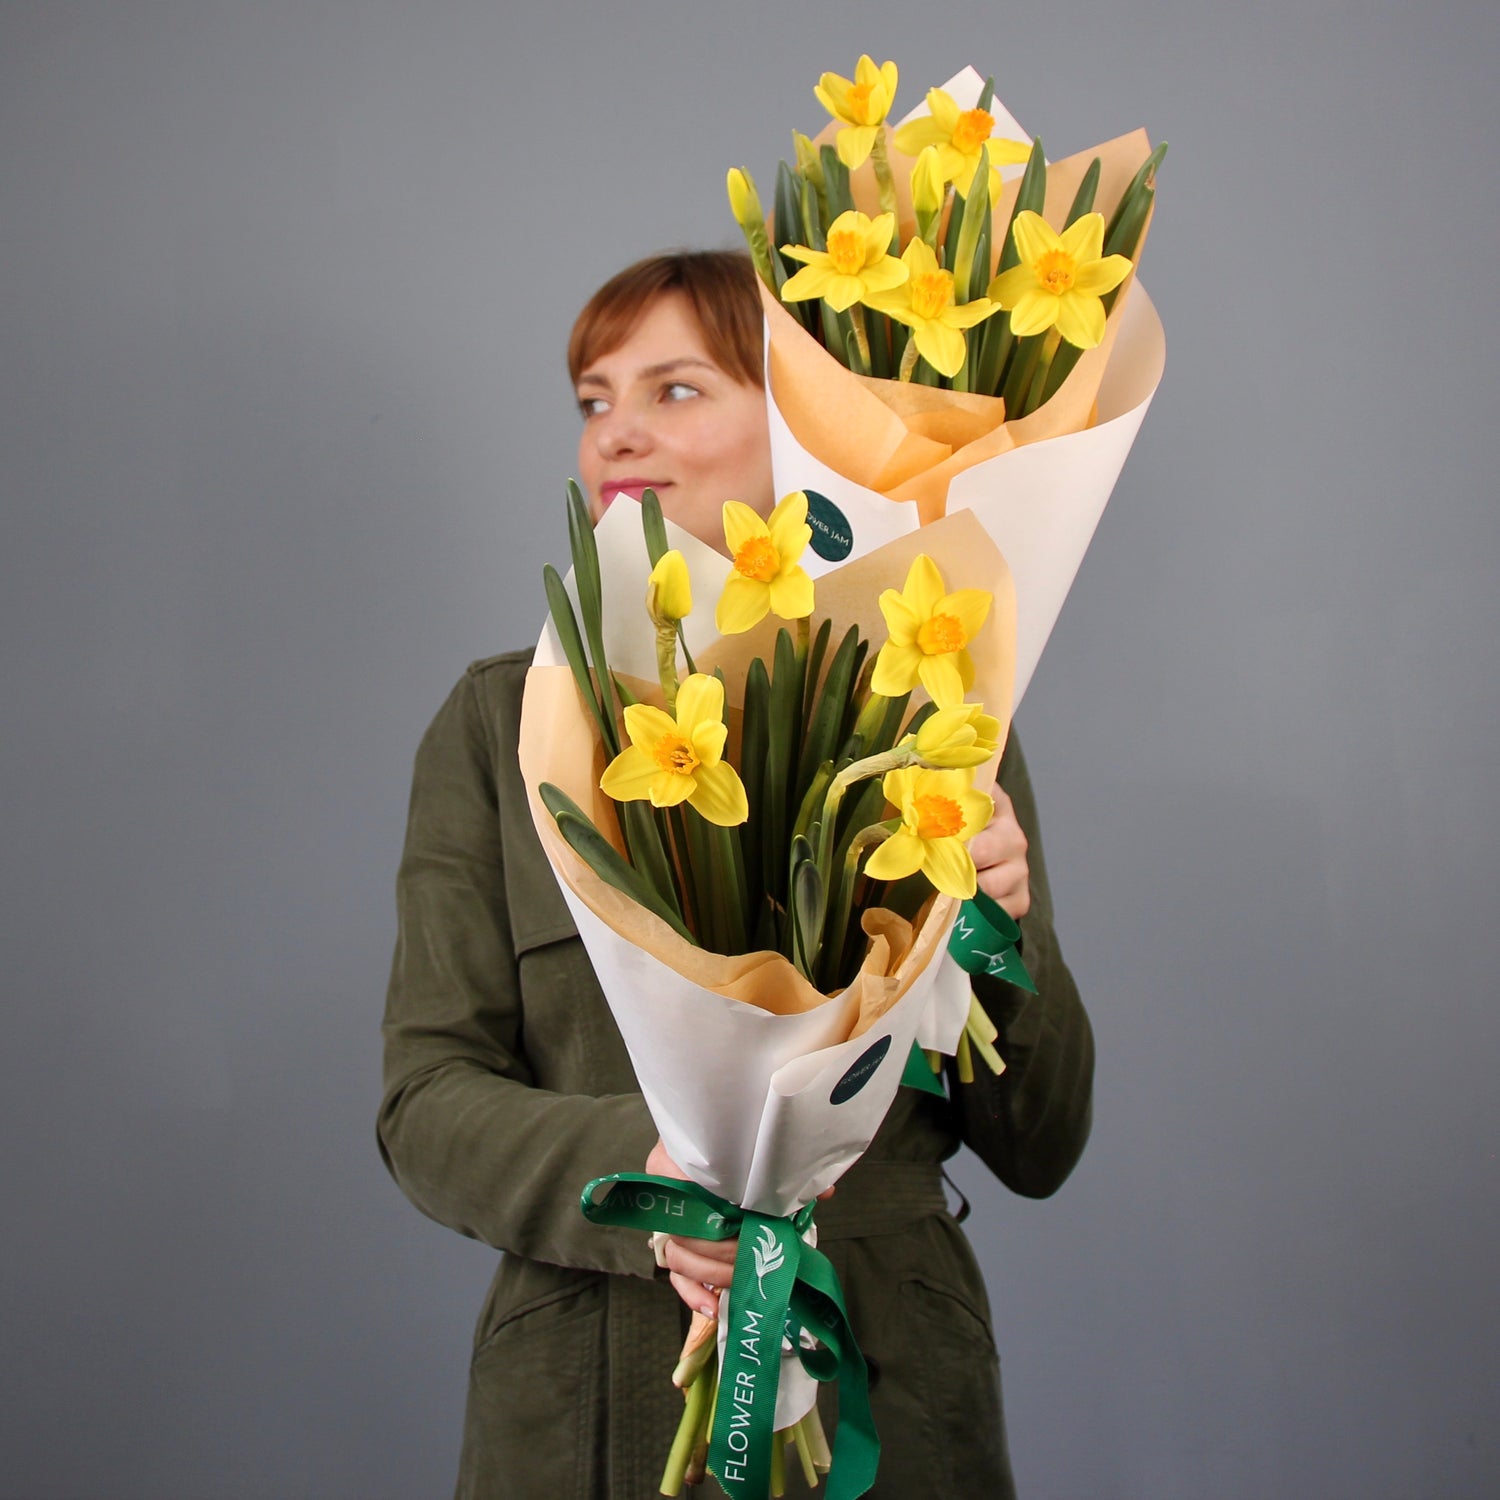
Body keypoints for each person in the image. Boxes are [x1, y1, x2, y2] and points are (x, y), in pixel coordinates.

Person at [379, 250, 1094, 1499]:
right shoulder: (504, 727)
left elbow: (1041, 1141)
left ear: (799, 426)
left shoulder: (933, 704)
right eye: (595, 401)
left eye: (676, 390)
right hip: (587, 1403)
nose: (619, 436)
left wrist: (1005, 931)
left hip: (892, 1379)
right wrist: (651, 1177)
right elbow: (424, 1103)